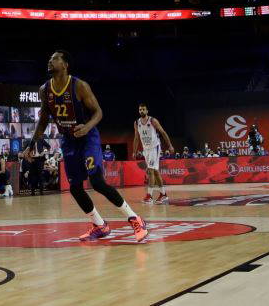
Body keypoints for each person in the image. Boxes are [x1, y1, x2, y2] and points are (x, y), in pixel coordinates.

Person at [24, 50, 148, 242]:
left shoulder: (79, 86)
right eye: (49, 58)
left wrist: (87, 126)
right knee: (75, 187)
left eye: (55, 58)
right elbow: (42, 121)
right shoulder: (44, 90)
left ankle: (135, 219)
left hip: (87, 136)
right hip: (68, 140)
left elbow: (98, 112)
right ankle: (100, 225)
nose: (50, 61)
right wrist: (32, 144)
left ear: (65, 64)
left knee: (97, 181)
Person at [132, 103, 175, 204]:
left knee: (150, 170)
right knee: (155, 172)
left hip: (154, 148)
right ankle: (163, 194)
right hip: (146, 149)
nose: (141, 111)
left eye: (143, 109)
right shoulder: (136, 123)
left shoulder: (152, 121)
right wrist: (134, 151)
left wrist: (170, 145)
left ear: (147, 111)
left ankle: (149, 196)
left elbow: (163, 132)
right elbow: (136, 138)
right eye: (140, 110)